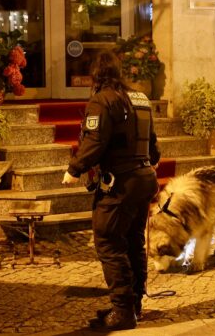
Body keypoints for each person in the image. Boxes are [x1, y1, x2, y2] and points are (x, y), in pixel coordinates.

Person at [61, 50, 160, 331]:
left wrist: (74, 169)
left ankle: (123, 311)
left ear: (96, 74)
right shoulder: (141, 98)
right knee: (133, 241)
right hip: (144, 178)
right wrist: (148, 163)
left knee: (108, 242)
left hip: (121, 183)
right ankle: (134, 304)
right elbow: (153, 144)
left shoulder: (102, 100)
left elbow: (94, 141)